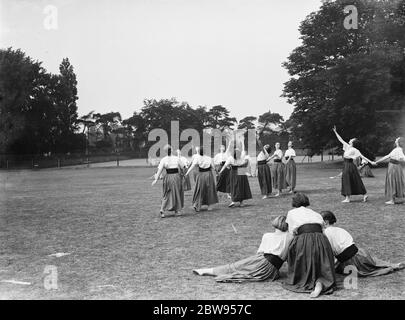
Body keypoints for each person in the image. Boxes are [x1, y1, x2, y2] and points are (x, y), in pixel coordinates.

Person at [192, 216, 292, 282]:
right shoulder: (290, 237)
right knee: (241, 268)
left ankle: (207, 270)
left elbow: (260, 252)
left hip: (263, 261)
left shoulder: (268, 235)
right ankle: (208, 271)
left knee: (235, 267)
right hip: (273, 269)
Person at [283, 193, 336, 298]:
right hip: (321, 239)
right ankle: (320, 282)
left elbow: (292, 232)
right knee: (320, 262)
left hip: (304, 238)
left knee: (298, 253)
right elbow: (322, 228)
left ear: (294, 202)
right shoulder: (315, 213)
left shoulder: (291, 213)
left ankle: (308, 279)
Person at [321, 210, 404, 276]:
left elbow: (332, 254)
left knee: (370, 269)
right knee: (374, 263)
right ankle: (394, 265)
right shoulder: (340, 229)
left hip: (352, 260)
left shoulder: (326, 233)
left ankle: (392, 267)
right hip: (361, 253)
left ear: (326, 222)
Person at [332, 126, 374, 203]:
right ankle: (364, 195)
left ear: (353, 142)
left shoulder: (355, 150)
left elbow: (362, 156)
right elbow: (340, 139)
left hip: (349, 166)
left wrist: (371, 162)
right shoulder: (347, 147)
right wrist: (335, 132)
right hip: (347, 165)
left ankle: (348, 198)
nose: (350, 139)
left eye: (352, 139)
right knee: (354, 180)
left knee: (348, 180)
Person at [152, 145, 184, 218]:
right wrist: (183, 174)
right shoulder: (176, 158)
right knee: (177, 193)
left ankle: (162, 209)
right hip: (176, 177)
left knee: (166, 193)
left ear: (165, 151)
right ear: (172, 150)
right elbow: (182, 167)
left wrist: (156, 179)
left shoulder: (163, 159)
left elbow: (159, 171)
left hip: (167, 178)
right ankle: (177, 211)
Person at [219, 137, 252, 207]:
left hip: (234, 172)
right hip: (241, 171)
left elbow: (224, 166)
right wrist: (242, 141)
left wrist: (220, 172)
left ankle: (233, 201)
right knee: (241, 186)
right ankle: (241, 202)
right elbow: (243, 149)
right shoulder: (242, 156)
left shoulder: (230, 158)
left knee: (234, 186)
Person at [373, 137, 405, 205]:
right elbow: (387, 156)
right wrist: (377, 162)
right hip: (394, 166)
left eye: (397, 139)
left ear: (399, 142)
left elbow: (402, 158)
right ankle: (393, 198)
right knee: (396, 181)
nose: (395, 139)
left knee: (392, 181)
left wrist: (399, 159)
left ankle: (392, 200)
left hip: (394, 167)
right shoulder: (396, 149)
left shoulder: (398, 150)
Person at [185, 147, 219, 212]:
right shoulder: (208, 158)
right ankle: (209, 206)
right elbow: (213, 167)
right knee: (209, 189)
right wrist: (216, 172)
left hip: (201, 175)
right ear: (205, 151)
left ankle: (197, 204)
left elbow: (192, 166)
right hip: (208, 175)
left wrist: (187, 173)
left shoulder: (197, 158)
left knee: (200, 189)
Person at [256, 134, 272, 199]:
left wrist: (258, 139)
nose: (266, 145)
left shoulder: (264, 151)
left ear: (267, 149)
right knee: (265, 180)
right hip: (262, 166)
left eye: (267, 146)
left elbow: (260, 145)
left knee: (264, 180)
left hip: (262, 167)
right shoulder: (264, 153)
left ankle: (265, 194)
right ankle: (267, 193)